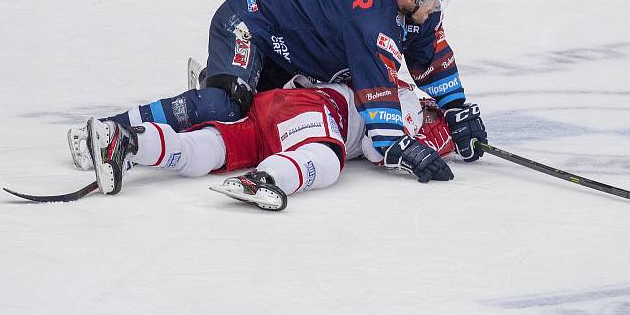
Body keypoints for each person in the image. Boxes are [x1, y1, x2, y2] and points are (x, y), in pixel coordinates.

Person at [73, 0, 488, 184]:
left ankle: (219, 81)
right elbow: (378, 114)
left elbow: (430, 61)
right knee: (229, 106)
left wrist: (454, 107)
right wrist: (403, 147)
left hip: (290, 46)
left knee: (265, 109)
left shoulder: (411, 9)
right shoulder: (372, 20)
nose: (437, 7)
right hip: (250, 24)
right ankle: (115, 128)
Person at [77, 77, 485, 211]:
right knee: (327, 158)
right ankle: (266, 179)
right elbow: (383, 147)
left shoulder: (407, 97)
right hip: (309, 108)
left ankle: (130, 144)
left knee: (211, 149)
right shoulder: (409, 101)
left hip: (272, 107)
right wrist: (421, 151)